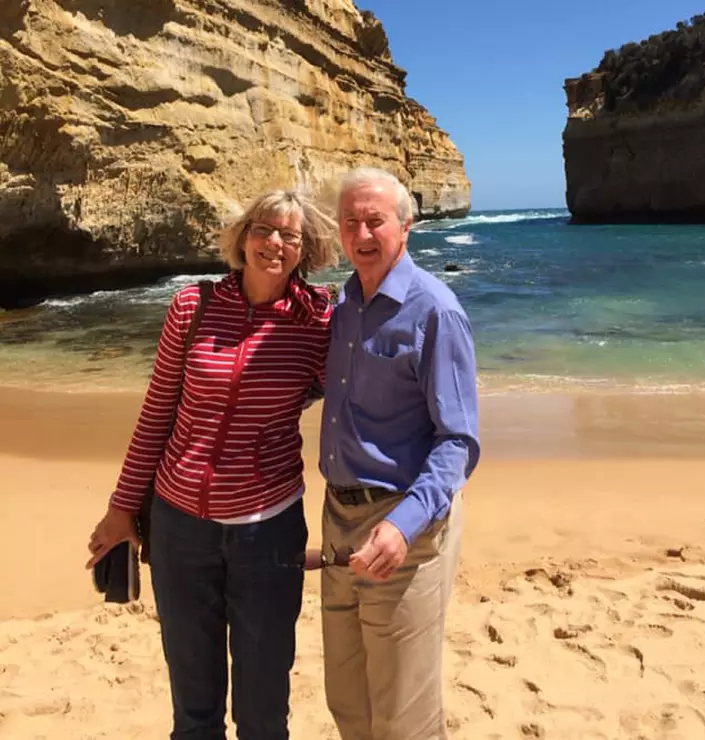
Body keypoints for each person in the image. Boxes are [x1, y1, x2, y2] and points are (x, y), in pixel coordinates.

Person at [86, 189, 339, 740]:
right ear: (242, 236)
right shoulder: (191, 307)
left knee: (264, 712)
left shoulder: (319, 322)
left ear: (306, 249)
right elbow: (156, 414)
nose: (275, 243)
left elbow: (355, 381)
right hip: (180, 531)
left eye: (290, 235)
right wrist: (121, 507)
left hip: (268, 532)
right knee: (194, 712)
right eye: (264, 229)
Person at [318, 167, 480, 740]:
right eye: (350, 221)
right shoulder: (341, 308)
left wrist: (402, 527)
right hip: (337, 523)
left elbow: (458, 440)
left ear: (405, 226)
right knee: (349, 703)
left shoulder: (435, 311)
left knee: (403, 717)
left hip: (404, 529)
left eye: (375, 220)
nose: (362, 233)